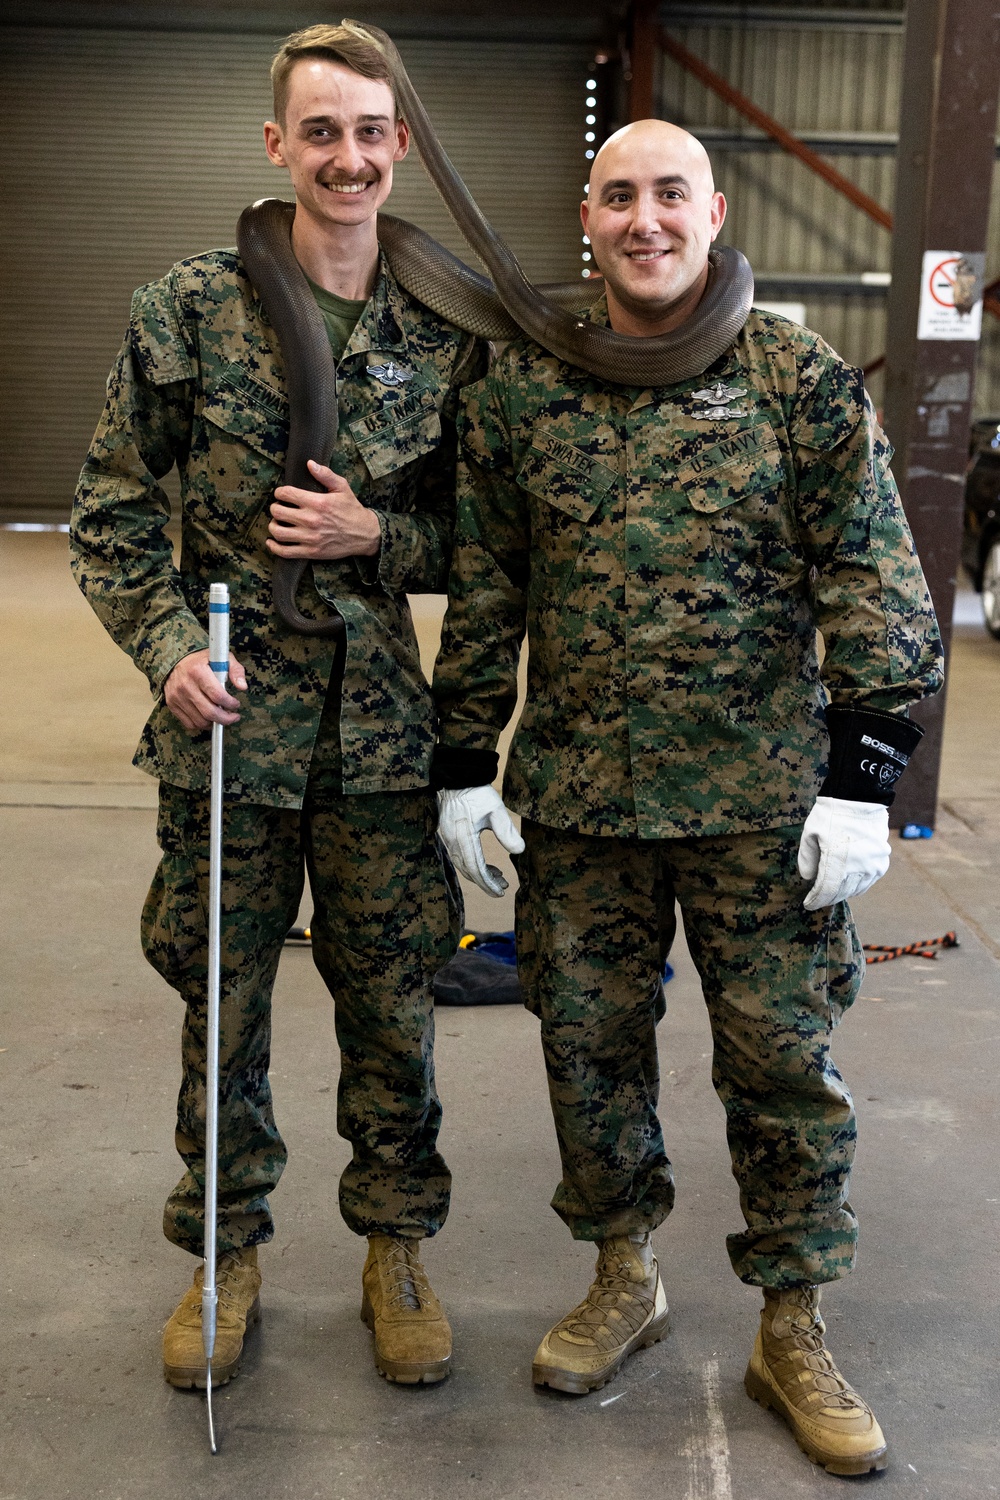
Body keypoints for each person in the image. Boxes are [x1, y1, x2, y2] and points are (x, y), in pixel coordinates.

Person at [431, 120, 942, 1475]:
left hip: (760, 812)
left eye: (670, 194)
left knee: (783, 1070)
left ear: (713, 211)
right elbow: (487, 586)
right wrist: (460, 765)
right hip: (583, 804)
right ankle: (623, 1274)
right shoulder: (523, 388)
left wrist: (863, 779)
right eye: (618, 197)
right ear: (585, 217)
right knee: (587, 1058)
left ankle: (794, 1318)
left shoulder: (794, 374)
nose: (645, 219)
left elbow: (876, 578)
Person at [71, 22, 486, 1392]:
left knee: (391, 1012)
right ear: (276, 145)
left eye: (370, 131)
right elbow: (112, 517)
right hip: (229, 737)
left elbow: (490, 542)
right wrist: (170, 649)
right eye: (321, 131)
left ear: (400, 146)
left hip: (376, 741)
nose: (348, 156)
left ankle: (397, 1248)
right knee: (222, 1006)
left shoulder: (448, 327)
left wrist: (379, 537)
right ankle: (220, 1250)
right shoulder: (183, 310)